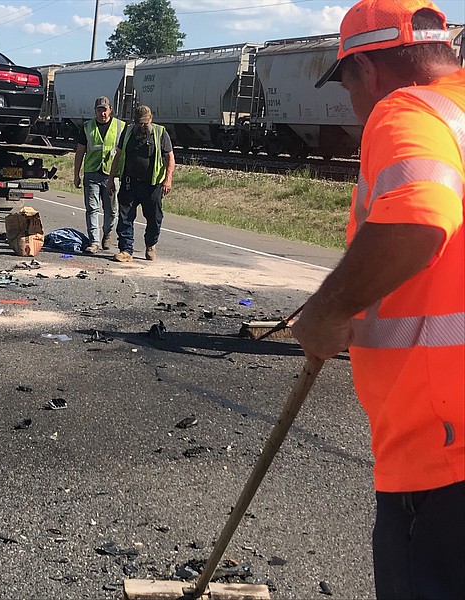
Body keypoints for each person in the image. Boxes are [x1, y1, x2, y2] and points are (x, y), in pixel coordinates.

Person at [294, 0, 464, 598]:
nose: (352, 103)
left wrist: (328, 308)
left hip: (443, 445)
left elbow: (420, 216)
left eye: (346, 84)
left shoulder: (409, 111)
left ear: (367, 69)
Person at [108, 105, 175, 262]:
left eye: (145, 123)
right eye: (139, 123)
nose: (142, 126)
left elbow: (170, 157)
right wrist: (111, 178)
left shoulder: (160, 133)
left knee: (154, 217)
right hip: (130, 182)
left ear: (150, 119)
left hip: (152, 185)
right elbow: (118, 156)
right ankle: (125, 250)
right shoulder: (128, 132)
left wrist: (168, 178)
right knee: (125, 216)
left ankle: (150, 245)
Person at [73, 96, 125, 254]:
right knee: (92, 209)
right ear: (95, 111)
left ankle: (107, 233)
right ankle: (94, 241)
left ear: (110, 110)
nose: (102, 113)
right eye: (99, 109)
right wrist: (76, 174)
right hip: (92, 173)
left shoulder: (121, 127)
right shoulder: (87, 126)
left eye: (105, 109)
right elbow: (80, 151)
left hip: (112, 174)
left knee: (111, 210)